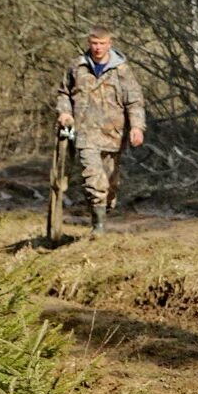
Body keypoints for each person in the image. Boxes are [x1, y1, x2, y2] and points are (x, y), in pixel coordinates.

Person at [55, 26, 144, 237]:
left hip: (113, 135)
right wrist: (65, 113)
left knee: (110, 185)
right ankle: (98, 227)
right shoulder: (77, 67)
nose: (97, 48)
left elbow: (135, 102)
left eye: (102, 44)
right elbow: (63, 93)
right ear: (89, 43)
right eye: (94, 43)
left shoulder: (122, 70)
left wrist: (137, 127)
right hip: (85, 133)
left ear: (109, 44)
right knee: (94, 179)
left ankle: (104, 211)